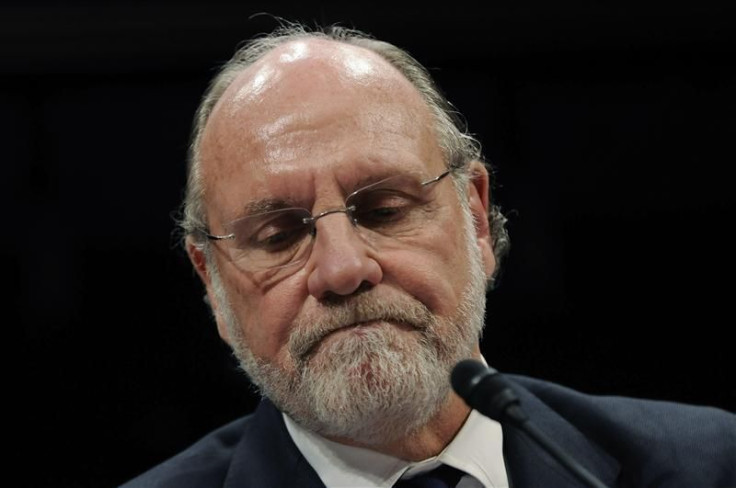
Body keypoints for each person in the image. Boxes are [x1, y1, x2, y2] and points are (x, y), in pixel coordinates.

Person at [121, 22, 736, 488]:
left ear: (474, 219)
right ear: (213, 286)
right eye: (279, 235)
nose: (343, 269)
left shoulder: (711, 463)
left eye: (383, 210)